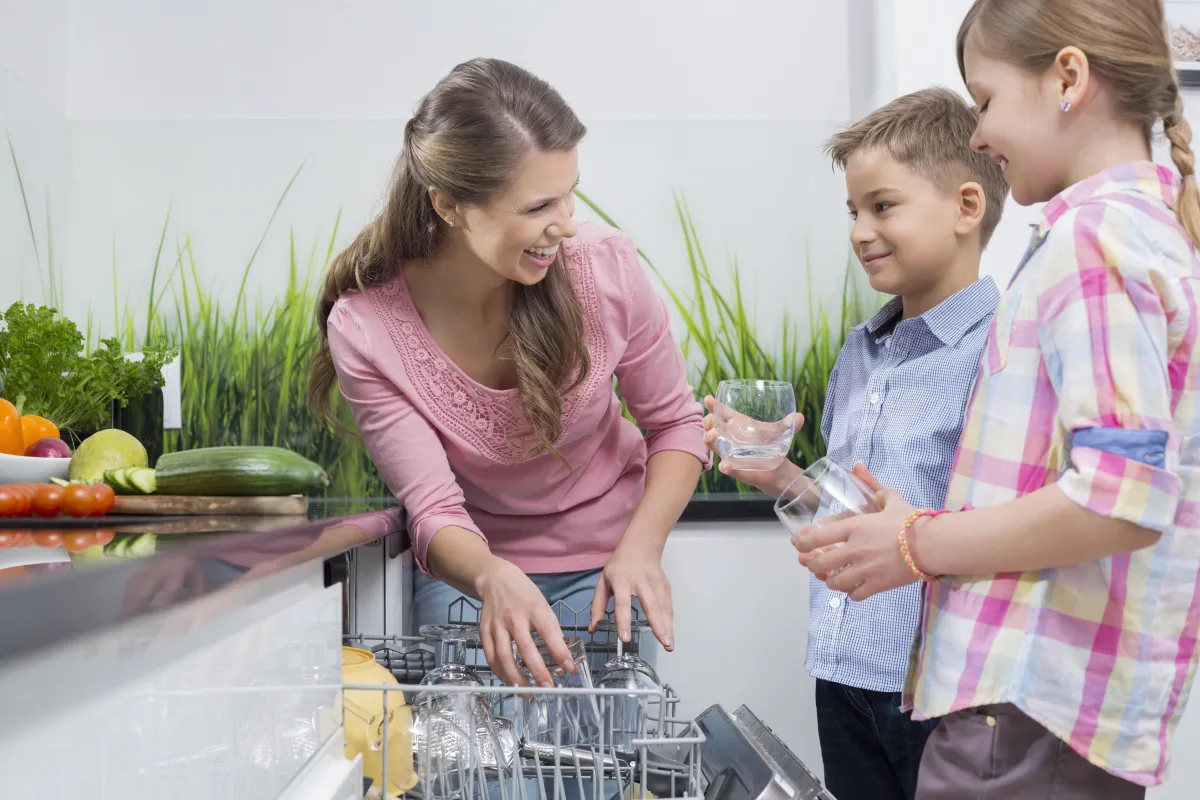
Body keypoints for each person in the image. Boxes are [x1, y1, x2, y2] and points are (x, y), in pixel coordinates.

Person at [793, 1, 1200, 796]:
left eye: (984, 102)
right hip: (1029, 711)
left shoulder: (1096, 242)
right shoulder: (1131, 233)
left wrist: (915, 543)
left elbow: (1121, 498)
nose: (978, 136)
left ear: (1068, 79)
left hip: (1025, 713)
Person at [307, 58, 708, 688]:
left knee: (598, 777)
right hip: (471, 578)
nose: (567, 223)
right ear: (448, 205)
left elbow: (677, 425)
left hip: (608, 570)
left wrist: (640, 549)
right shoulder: (367, 328)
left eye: (570, 192)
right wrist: (492, 575)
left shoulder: (604, 270)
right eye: (538, 205)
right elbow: (434, 508)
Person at [702, 88, 1007, 800]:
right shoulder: (860, 351)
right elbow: (850, 510)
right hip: (842, 675)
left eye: (883, 205)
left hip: (937, 691)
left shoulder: (997, 353)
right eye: (853, 210)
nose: (861, 230)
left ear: (967, 207)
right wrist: (782, 477)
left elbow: (1001, 533)